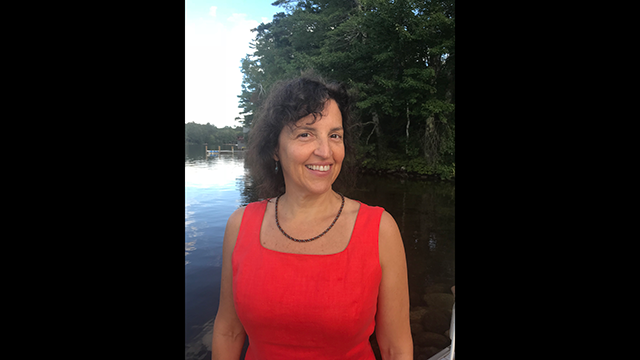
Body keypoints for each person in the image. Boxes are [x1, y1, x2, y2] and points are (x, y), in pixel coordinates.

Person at [211, 76, 413, 360]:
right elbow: (228, 331)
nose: (325, 151)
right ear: (274, 149)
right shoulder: (240, 225)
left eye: (335, 135)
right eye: (305, 134)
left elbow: (396, 348)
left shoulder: (379, 230)